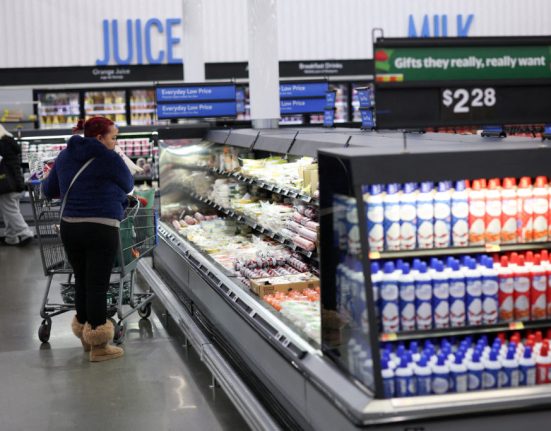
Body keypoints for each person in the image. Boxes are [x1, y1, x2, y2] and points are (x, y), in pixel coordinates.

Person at [42, 117, 133, 362]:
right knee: (97, 285)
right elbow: (128, 184)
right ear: (100, 138)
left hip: (70, 227)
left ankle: (85, 336)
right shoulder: (109, 158)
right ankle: (100, 345)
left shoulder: (64, 156)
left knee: (82, 280)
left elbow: (49, 189)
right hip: (101, 227)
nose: (115, 142)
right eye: (113, 137)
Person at [0, 124, 34, 245]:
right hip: (16, 182)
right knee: (10, 210)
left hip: (6, 184)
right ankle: (11, 238)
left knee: (11, 211)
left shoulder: (1, 145)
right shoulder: (9, 141)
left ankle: (26, 233)